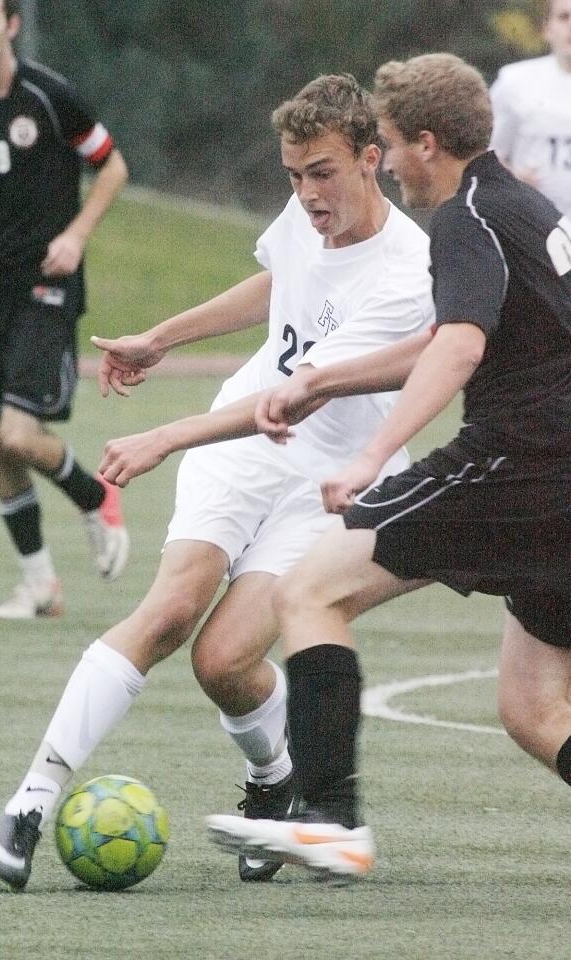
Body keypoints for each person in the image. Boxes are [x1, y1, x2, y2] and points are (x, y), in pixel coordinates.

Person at [0, 72, 435, 889]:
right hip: (243, 448)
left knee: (224, 661)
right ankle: (29, 802)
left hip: (326, 480)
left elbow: (297, 396)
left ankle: (276, 781)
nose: (305, 193)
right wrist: (164, 336)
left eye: (322, 173)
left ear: (372, 159)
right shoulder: (305, 213)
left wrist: (167, 434)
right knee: (170, 611)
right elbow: (278, 285)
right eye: (292, 176)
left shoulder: (408, 273)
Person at [206, 52, 571, 882]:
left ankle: (332, 821)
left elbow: (460, 346)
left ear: (427, 143)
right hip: (557, 474)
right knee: (532, 707)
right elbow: (457, 330)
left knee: (309, 588)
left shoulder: (463, 218)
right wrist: (324, 378)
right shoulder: (522, 204)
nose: (391, 161)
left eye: (393, 144)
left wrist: (374, 455)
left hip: (524, 463)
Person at [0, 0, 130, 619]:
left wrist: (77, 235)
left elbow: (112, 166)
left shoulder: (49, 96)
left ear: (10, 27)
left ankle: (94, 496)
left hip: (46, 283)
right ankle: (40, 587)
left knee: (17, 431)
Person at [490, 0, 571, 214]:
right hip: (534, 227)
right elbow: (486, 152)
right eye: (564, 17)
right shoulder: (515, 82)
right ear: (547, 28)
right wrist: (511, 177)